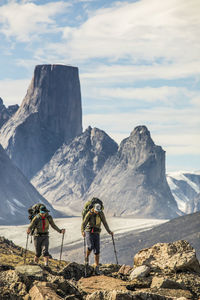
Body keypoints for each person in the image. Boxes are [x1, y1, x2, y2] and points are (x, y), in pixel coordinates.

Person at [81, 202, 113, 275]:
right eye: (96, 210)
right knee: (90, 246)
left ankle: (97, 267)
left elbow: (104, 222)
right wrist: (82, 231)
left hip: (97, 232)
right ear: (94, 208)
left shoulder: (101, 213)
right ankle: (86, 258)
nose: (97, 212)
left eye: (98, 211)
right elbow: (84, 223)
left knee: (97, 250)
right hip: (89, 231)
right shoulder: (89, 213)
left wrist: (109, 231)